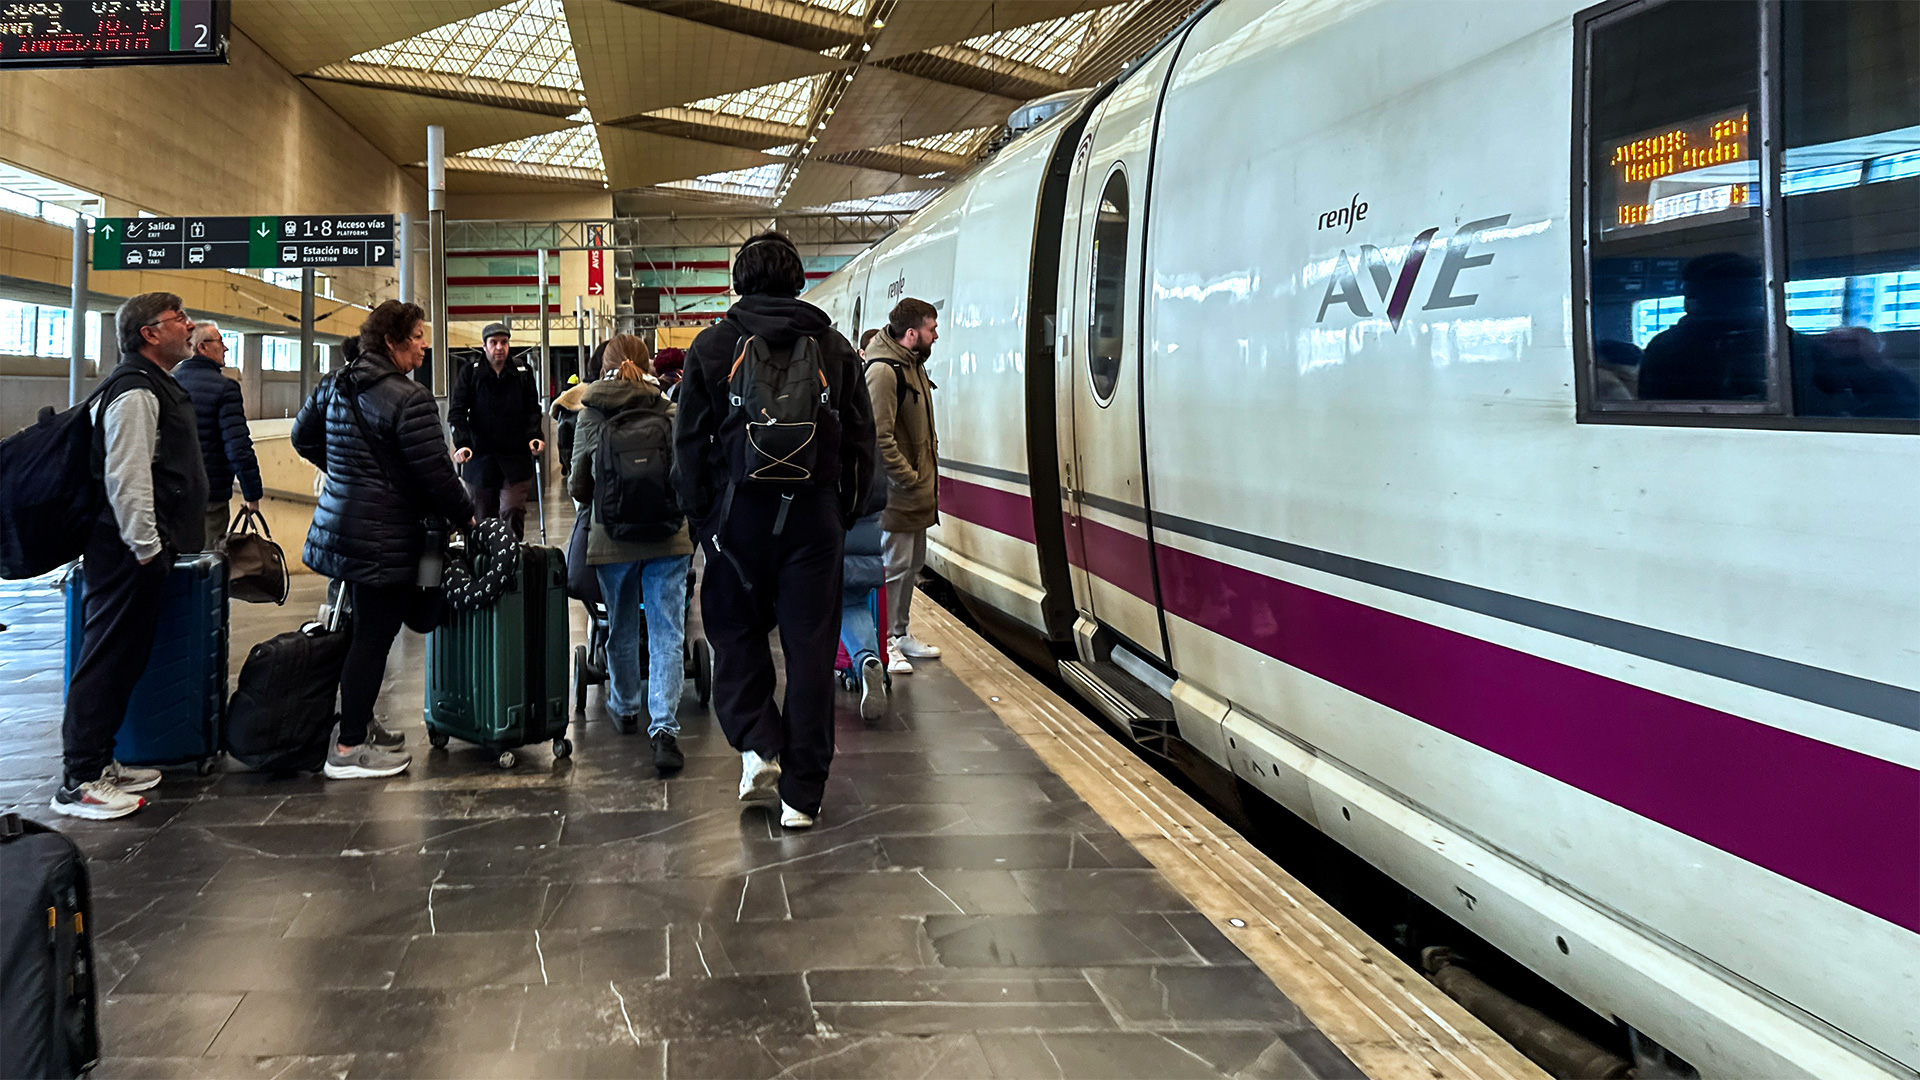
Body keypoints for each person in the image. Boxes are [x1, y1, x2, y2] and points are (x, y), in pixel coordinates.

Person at [673, 231, 874, 829]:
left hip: (737, 519)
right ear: (798, 280)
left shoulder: (713, 346)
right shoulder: (835, 348)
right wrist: (842, 513)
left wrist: (704, 521)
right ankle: (802, 798)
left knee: (733, 631)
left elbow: (688, 445)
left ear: (740, 281)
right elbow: (861, 444)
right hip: (814, 519)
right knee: (811, 651)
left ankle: (759, 742)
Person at [294, 301, 475, 780]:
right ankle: (349, 746)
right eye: (416, 336)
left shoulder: (335, 383)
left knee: (359, 631)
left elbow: (301, 438)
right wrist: (467, 517)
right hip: (384, 535)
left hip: (341, 527)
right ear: (392, 341)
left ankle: (359, 722)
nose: (424, 344)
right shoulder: (408, 398)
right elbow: (436, 475)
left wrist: (348, 474)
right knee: (374, 639)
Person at [53, 293, 209, 819]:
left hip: (138, 547)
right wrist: (145, 546)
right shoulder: (136, 390)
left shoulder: (153, 383)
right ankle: (80, 780)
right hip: (126, 549)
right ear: (150, 333)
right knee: (106, 658)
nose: (189, 326)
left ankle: (101, 761)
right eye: (179, 319)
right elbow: (127, 474)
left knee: (124, 657)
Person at [569, 334, 694, 770]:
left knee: (620, 626)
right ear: (649, 364)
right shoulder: (668, 408)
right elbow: (687, 472)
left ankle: (624, 708)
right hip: (668, 536)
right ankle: (664, 729)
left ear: (604, 364)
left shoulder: (591, 411)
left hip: (612, 538)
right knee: (667, 632)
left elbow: (578, 485)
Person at [864, 297, 942, 674]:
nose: (936, 335)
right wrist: (908, 478)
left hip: (917, 491)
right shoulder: (884, 371)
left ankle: (900, 631)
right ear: (912, 333)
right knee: (893, 567)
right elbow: (880, 438)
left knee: (911, 565)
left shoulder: (913, 366)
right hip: (898, 493)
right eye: (931, 329)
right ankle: (884, 641)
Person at [172, 320, 263, 546]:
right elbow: (238, 446)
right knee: (207, 560)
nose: (225, 348)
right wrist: (252, 493)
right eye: (220, 342)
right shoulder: (225, 388)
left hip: (172, 496)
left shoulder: (169, 384)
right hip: (210, 495)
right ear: (202, 347)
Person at [450, 321, 543, 539]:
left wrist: (534, 436)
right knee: (482, 516)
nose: (499, 347)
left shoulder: (522, 373)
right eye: (493, 343)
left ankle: (512, 552)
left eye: (504, 342)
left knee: (512, 509)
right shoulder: (470, 373)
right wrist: (462, 443)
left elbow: (532, 409)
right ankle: (485, 556)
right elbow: (457, 412)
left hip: (515, 457)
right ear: (484, 346)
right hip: (480, 458)